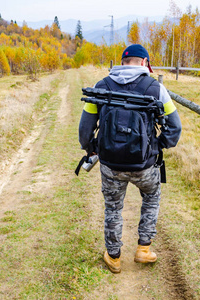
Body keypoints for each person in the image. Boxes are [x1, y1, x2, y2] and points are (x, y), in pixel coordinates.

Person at [78, 44, 182, 273]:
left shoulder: (101, 87)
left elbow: (85, 131)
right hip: (144, 164)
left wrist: (94, 149)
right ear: (145, 63)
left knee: (113, 207)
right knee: (151, 198)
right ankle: (144, 250)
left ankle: (114, 257)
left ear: (122, 62)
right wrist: (154, 147)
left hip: (110, 165)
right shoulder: (156, 88)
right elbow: (174, 129)